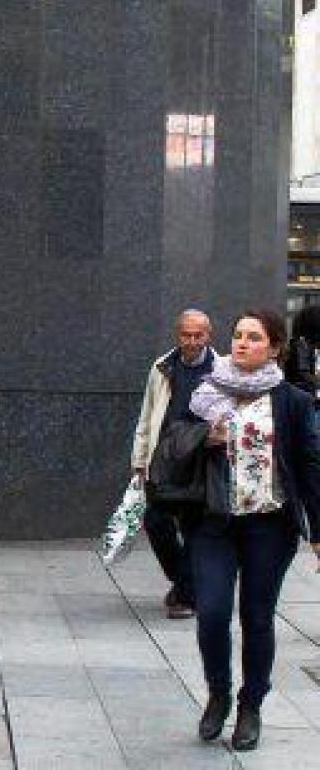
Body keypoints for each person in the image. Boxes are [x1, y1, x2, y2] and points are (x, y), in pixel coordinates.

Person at [186, 309, 320, 751]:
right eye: (238, 335)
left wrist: (317, 532)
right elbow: (175, 436)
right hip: (213, 522)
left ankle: (251, 706)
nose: (242, 343)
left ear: (274, 348)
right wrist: (204, 437)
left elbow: (309, 466)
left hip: (270, 525)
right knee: (211, 612)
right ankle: (219, 693)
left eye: (254, 337)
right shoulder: (205, 390)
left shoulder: (293, 401)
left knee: (257, 618)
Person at [130, 309, 218, 619]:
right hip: (165, 462)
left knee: (194, 529)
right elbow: (147, 414)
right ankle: (186, 583)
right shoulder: (162, 367)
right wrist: (139, 461)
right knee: (156, 523)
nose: (192, 341)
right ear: (177, 335)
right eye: (186, 335)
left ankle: (184, 595)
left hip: (201, 465)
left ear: (209, 335)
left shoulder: (222, 370)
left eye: (198, 335)